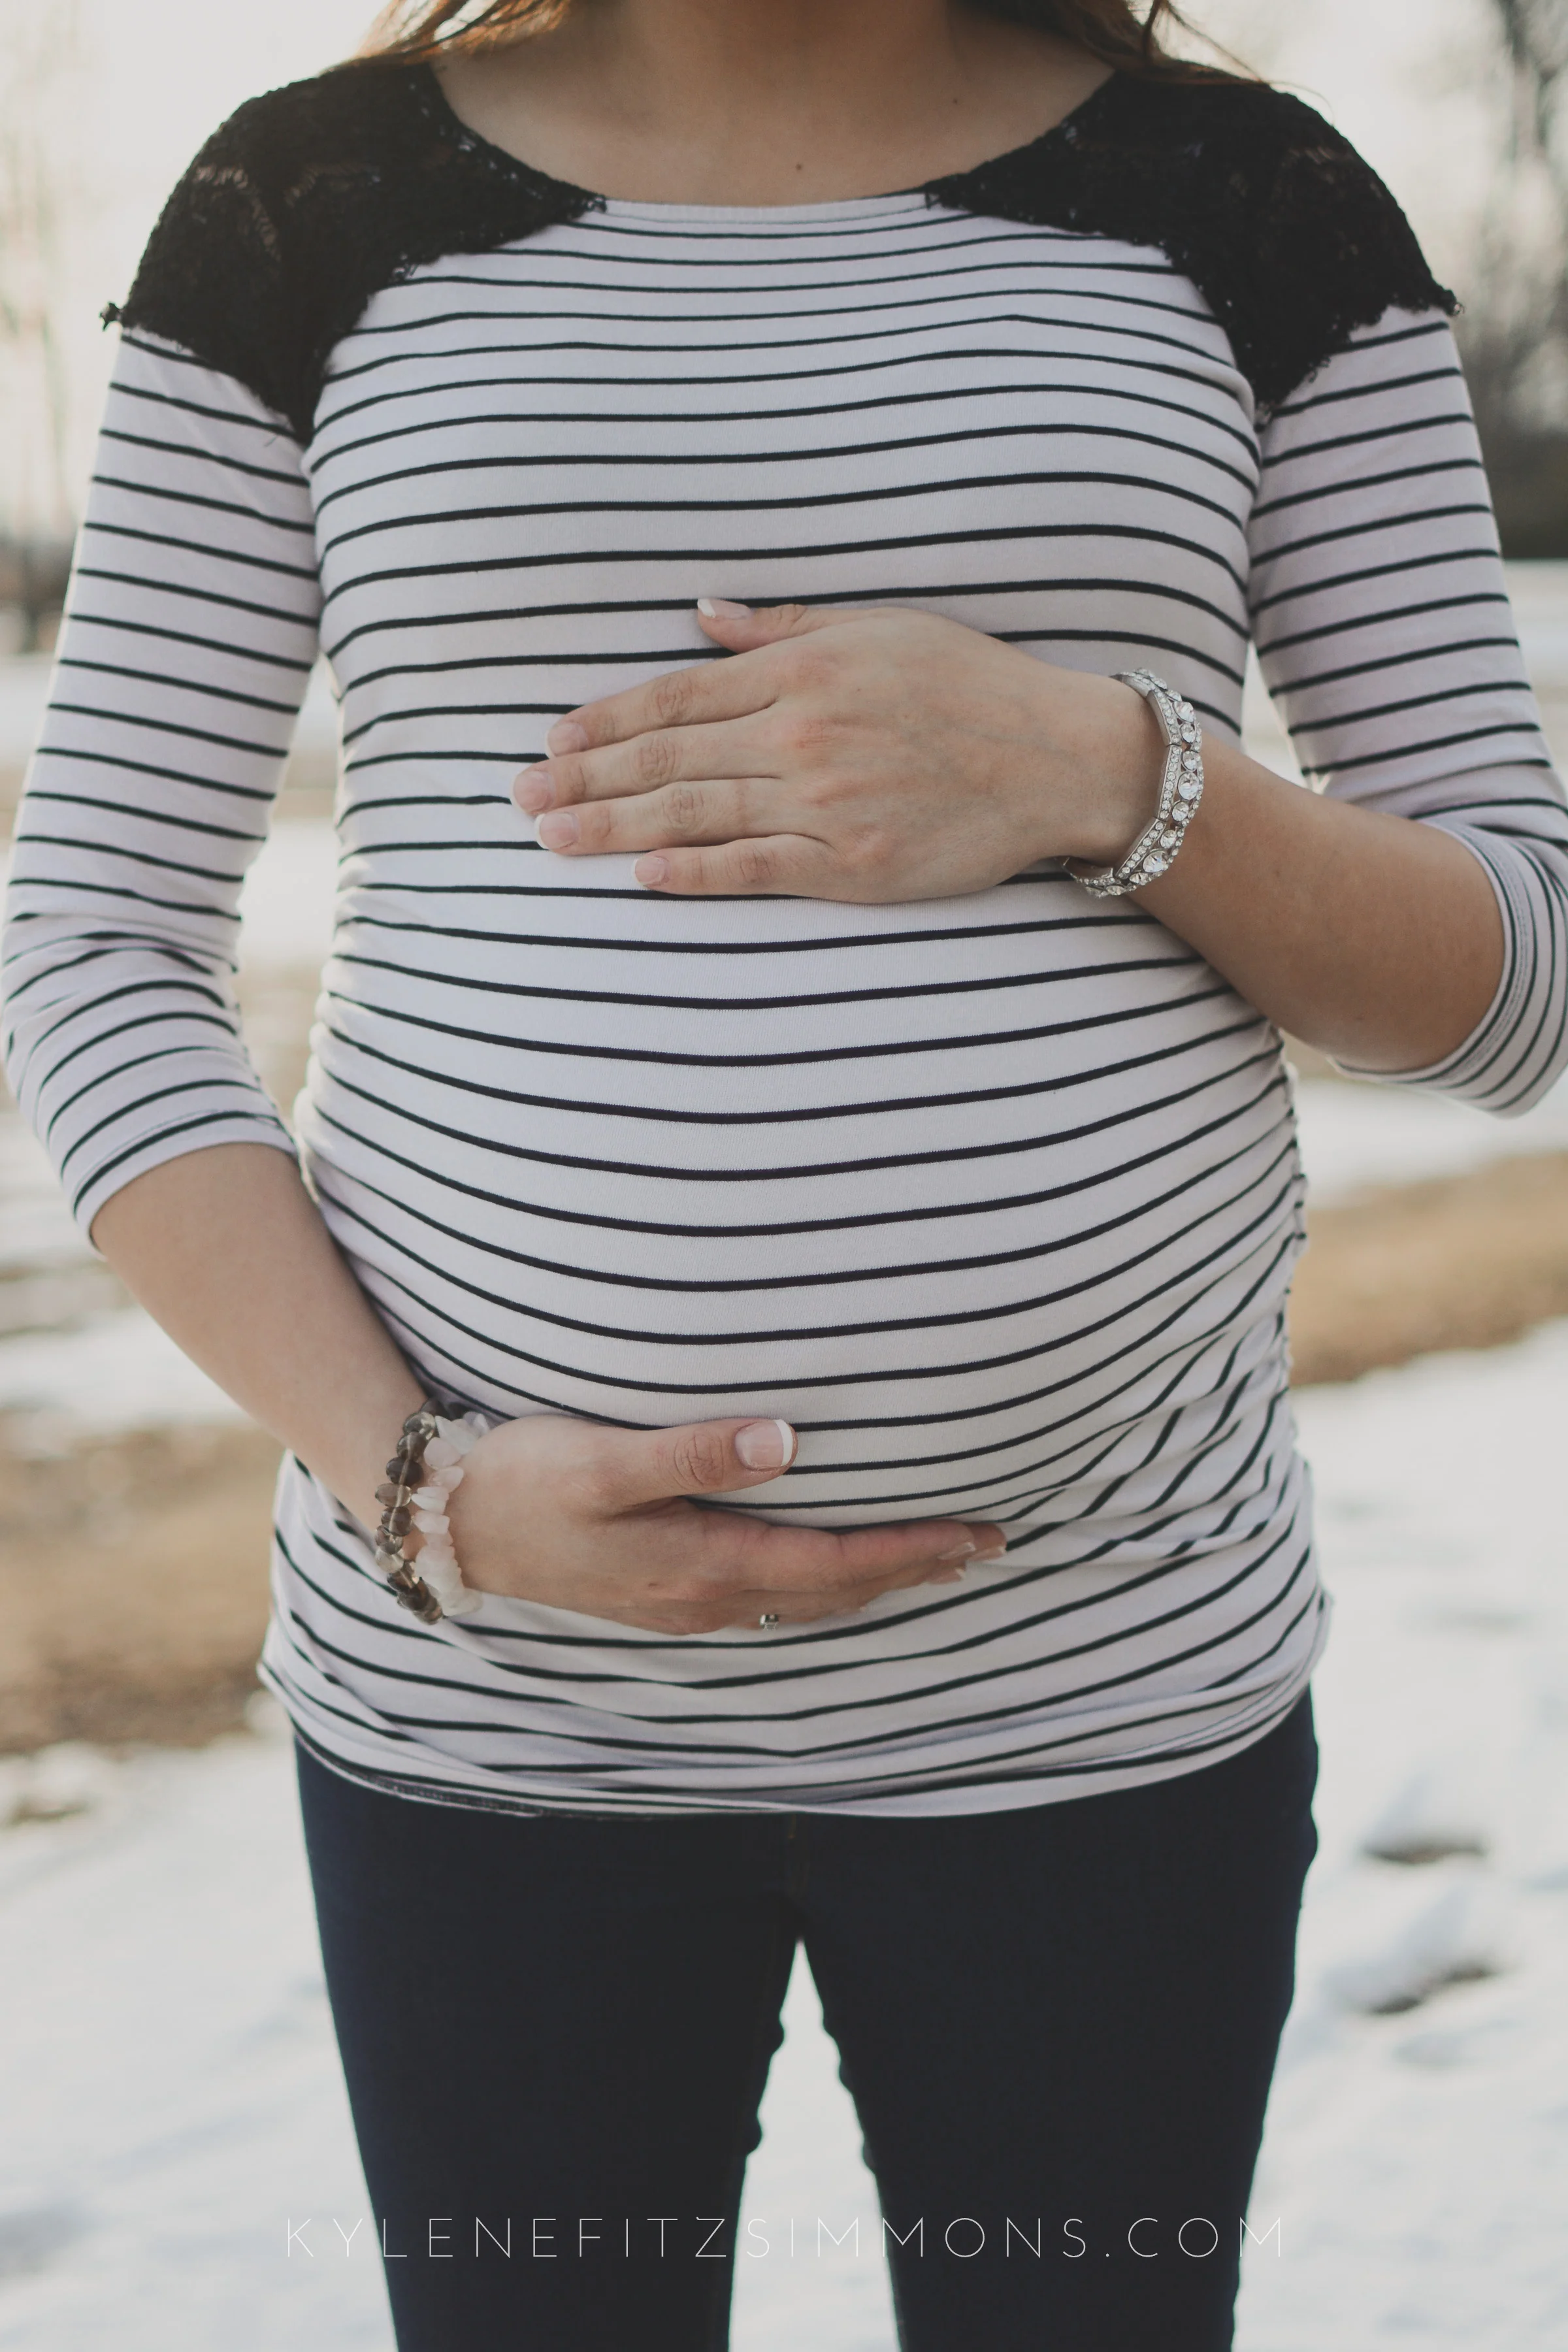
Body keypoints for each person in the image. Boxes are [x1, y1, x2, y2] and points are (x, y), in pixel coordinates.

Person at [6, 0, 1567, 2343]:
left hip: (1106, 1694)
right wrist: (414, 1479)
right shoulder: (303, 211)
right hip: (498, 1715)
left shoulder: (1248, 205)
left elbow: (1518, 980)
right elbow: (99, 941)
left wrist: (1102, 763)